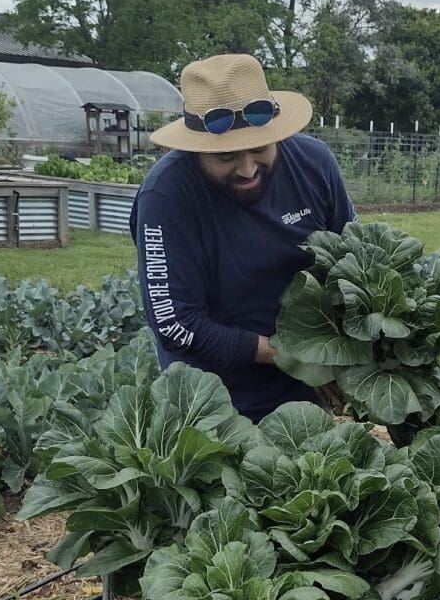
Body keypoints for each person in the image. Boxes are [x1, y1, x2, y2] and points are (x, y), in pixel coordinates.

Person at [130, 53, 356, 421]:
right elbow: (176, 323)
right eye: (227, 157)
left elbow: (351, 260)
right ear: (197, 149)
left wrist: (332, 357)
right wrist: (285, 355)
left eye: (259, 148)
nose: (248, 168)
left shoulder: (315, 164)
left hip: (305, 377)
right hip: (210, 397)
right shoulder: (167, 195)